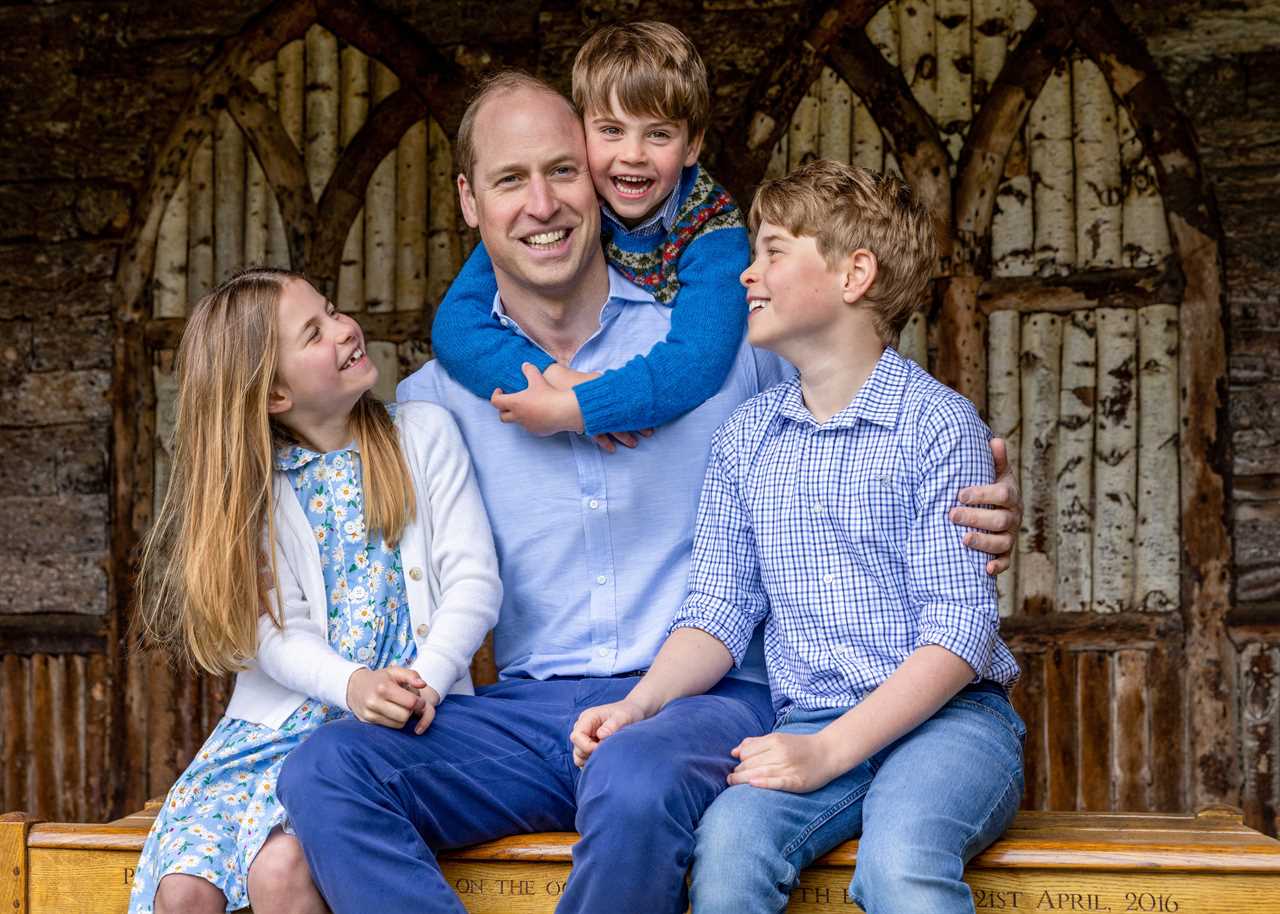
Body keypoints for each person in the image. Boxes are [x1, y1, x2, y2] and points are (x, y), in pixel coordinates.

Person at [278, 76, 1022, 914]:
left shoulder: (724, 348)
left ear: (598, 181)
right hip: (531, 714)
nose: (543, 203)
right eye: (510, 180)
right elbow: (314, 499)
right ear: (469, 200)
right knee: (326, 769)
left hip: (709, 701)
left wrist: (985, 499)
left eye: (563, 171)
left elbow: (863, 416)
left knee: (634, 778)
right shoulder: (430, 404)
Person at [570, 160, 1025, 914]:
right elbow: (716, 611)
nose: (748, 274)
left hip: (952, 725)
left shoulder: (937, 425)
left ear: (855, 274)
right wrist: (638, 705)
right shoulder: (745, 440)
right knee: (728, 852)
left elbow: (960, 630)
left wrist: (828, 752)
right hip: (810, 718)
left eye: (773, 251)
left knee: (901, 861)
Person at [127, 268, 501, 914]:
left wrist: (426, 680)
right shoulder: (258, 494)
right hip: (269, 737)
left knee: (281, 871)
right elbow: (274, 636)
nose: (345, 329)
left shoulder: (423, 436)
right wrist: (352, 684)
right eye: (315, 332)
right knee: (182, 890)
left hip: (400, 726)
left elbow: (475, 581)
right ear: (275, 393)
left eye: (332, 310)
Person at [431, 21, 748, 444]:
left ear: (691, 146)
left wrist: (584, 407)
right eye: (611, 131)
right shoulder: (575, 202)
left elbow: (700, 360)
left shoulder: (714, 228)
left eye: (658, 134)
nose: (632, 155)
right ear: (582, 134)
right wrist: (553, 378)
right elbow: (455, 328)